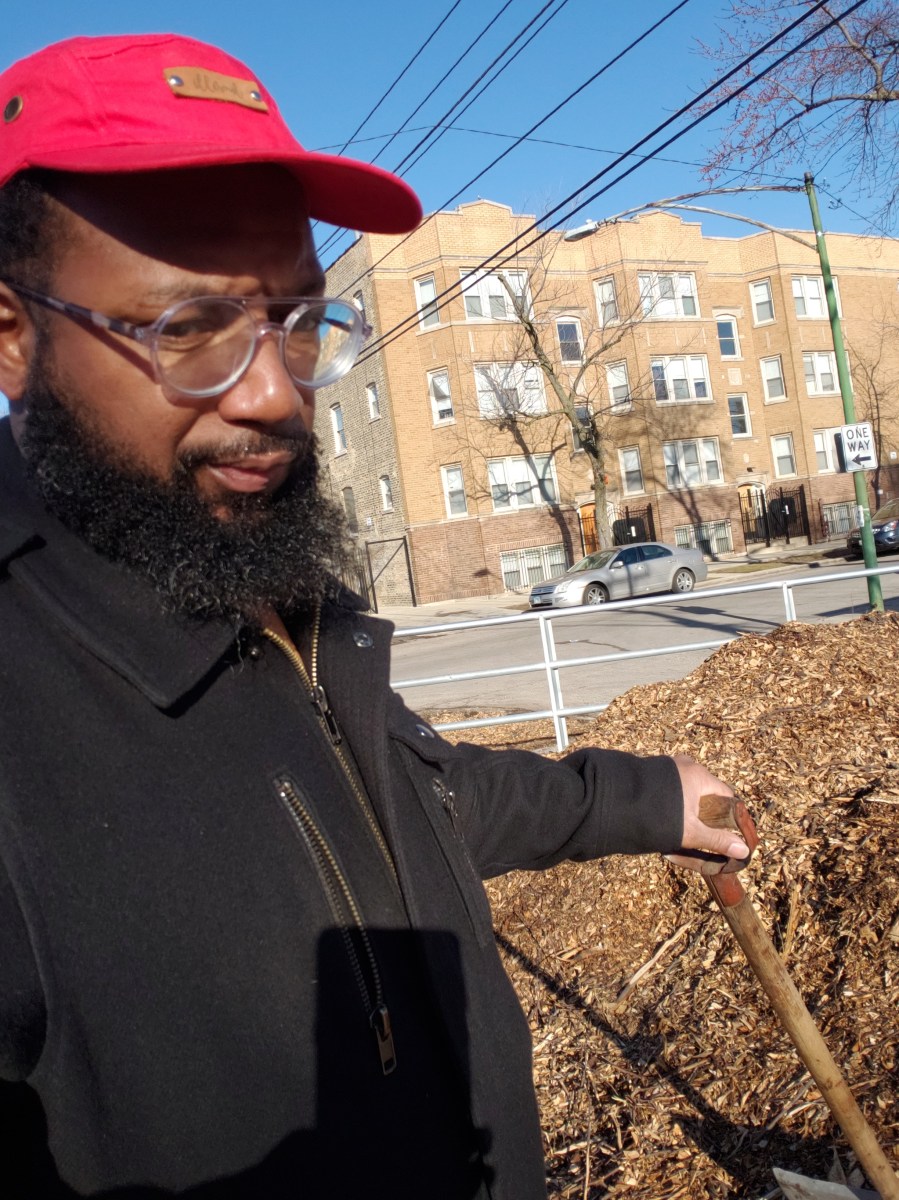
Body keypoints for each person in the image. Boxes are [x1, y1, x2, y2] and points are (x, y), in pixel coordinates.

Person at [0, 33, 748, 1200]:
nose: (273, 393)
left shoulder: (252, 582)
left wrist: (645, 799)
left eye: (298, 320)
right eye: (185, 328)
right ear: (12, 337)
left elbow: (404, 800)